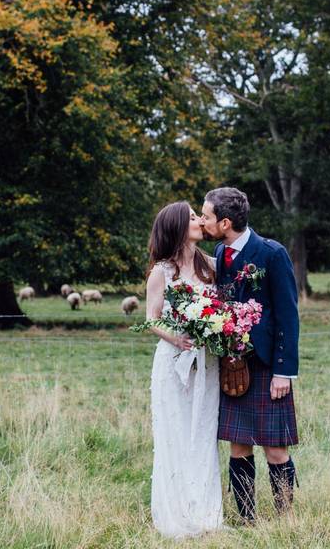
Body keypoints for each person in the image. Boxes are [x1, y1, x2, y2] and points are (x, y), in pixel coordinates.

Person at [199, 186, 299, 522]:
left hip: (268, 364)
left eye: (206, 215)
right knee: (238, 444)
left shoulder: (271, 253)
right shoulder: (220, 251)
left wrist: (284, 372)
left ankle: (286, 517)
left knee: (275, 448)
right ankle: (247, 517)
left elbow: (288, 315)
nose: (202, 220)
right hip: (234, 365)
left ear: (225, 222)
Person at [144, 201, 223, 538]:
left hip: (206, 363)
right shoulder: (161, 272)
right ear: (177, 227)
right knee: (175, 433)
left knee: (203, 433)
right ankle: (176, 514)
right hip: (174, 363)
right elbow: (151, 319)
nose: (198, 221)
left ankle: (206, 513)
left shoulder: (211, 265)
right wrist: (175, 338)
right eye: (192, 218)